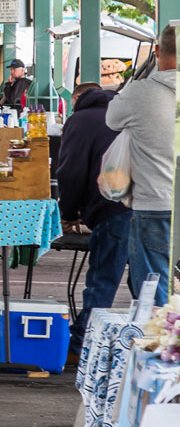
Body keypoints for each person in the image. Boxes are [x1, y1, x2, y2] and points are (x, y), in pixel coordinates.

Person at [106, 24, 177, 305]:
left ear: (157, 51)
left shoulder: (140, 92)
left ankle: (162, 333)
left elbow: (112, 119)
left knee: (153, 290)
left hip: (154, 204)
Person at [56, 82, 133, 336]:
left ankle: (83, 340)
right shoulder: (125, 114)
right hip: (147, 204)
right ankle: (150, 338)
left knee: (102, 279)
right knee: (146, 281)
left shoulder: (80, 120)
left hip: (111, 208)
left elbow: (71, 172)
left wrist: (68, 213)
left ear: (78, 99)